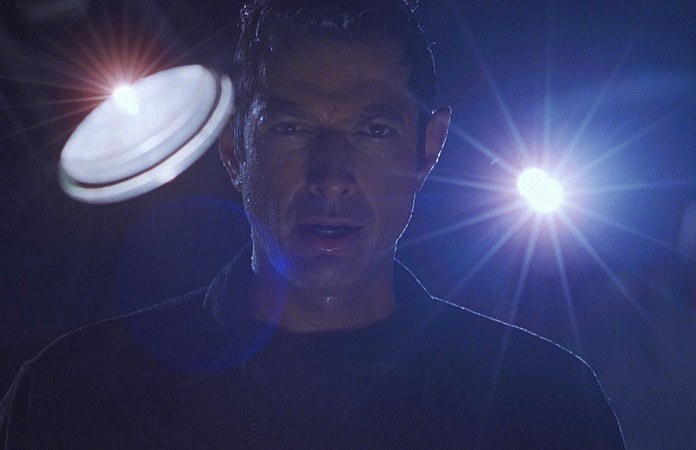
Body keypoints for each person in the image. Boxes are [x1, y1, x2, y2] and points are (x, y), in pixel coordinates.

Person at [0, 0, 624, 447]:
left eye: (373, 129)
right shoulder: (77, 394)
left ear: (428, 148)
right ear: (234, 148)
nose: (331, 176)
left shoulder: (544, 402)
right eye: (291, 127)